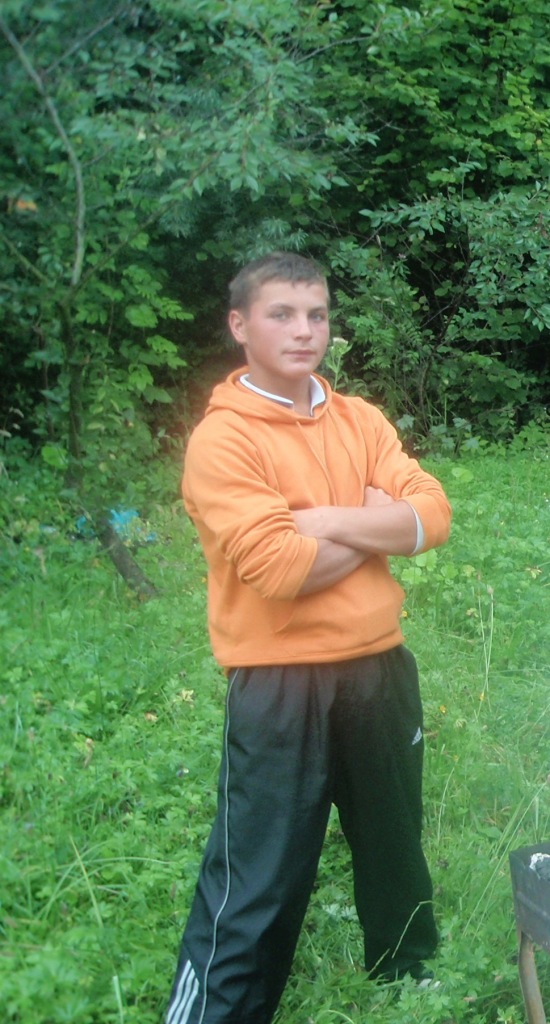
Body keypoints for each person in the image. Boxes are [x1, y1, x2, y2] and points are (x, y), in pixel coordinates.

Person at [166, 251, 452, 1024]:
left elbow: (432, 515)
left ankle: (405, 970)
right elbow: (279, 568)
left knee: (393, 840)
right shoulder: (223, 439)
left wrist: (324, 521)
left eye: (317, 314)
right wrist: (377, 522)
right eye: (282, 314)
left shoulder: (361, 420)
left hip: (379, 668)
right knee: (256, 870)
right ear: (240, 325)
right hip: (279, 679)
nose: (304, 330)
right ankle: (218, 1009)